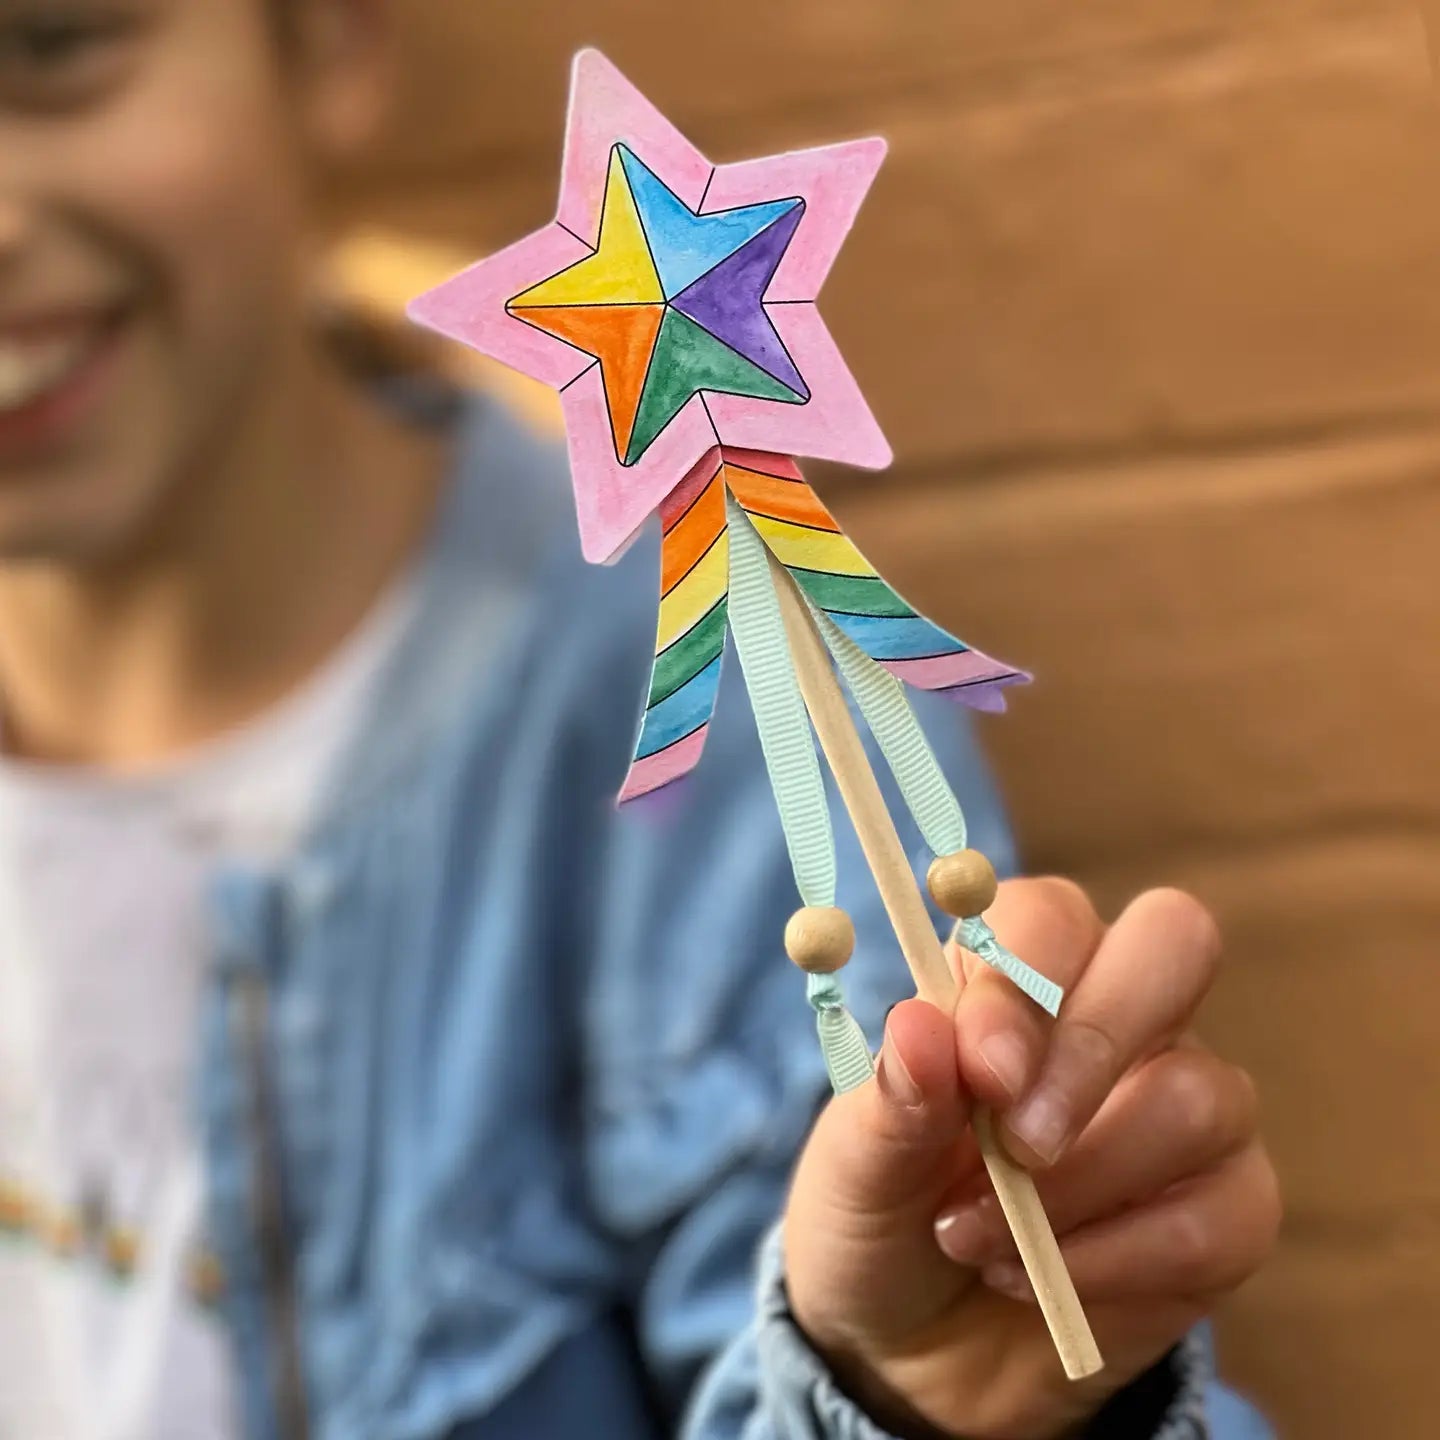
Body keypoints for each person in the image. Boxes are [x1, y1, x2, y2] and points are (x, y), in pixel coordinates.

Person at [0, 2, 1280, 1437]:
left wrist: (909, 1406)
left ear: (333, 37)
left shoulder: (698, 728)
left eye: (52, 48)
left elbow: (958, 1324)